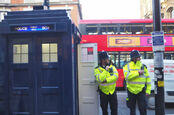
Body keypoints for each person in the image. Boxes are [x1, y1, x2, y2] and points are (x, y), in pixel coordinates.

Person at [123, 50, 151, 115]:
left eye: (139, 57)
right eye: (137, 57)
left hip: (141, 91)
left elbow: (148, 79)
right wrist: (138, 73)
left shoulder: (143, 66)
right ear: (133, 58)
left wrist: (148, 90)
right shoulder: (127, 66)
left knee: (143, 109)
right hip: (131, 90)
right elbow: (127, 77)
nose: (139, 58)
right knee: (132, 110)